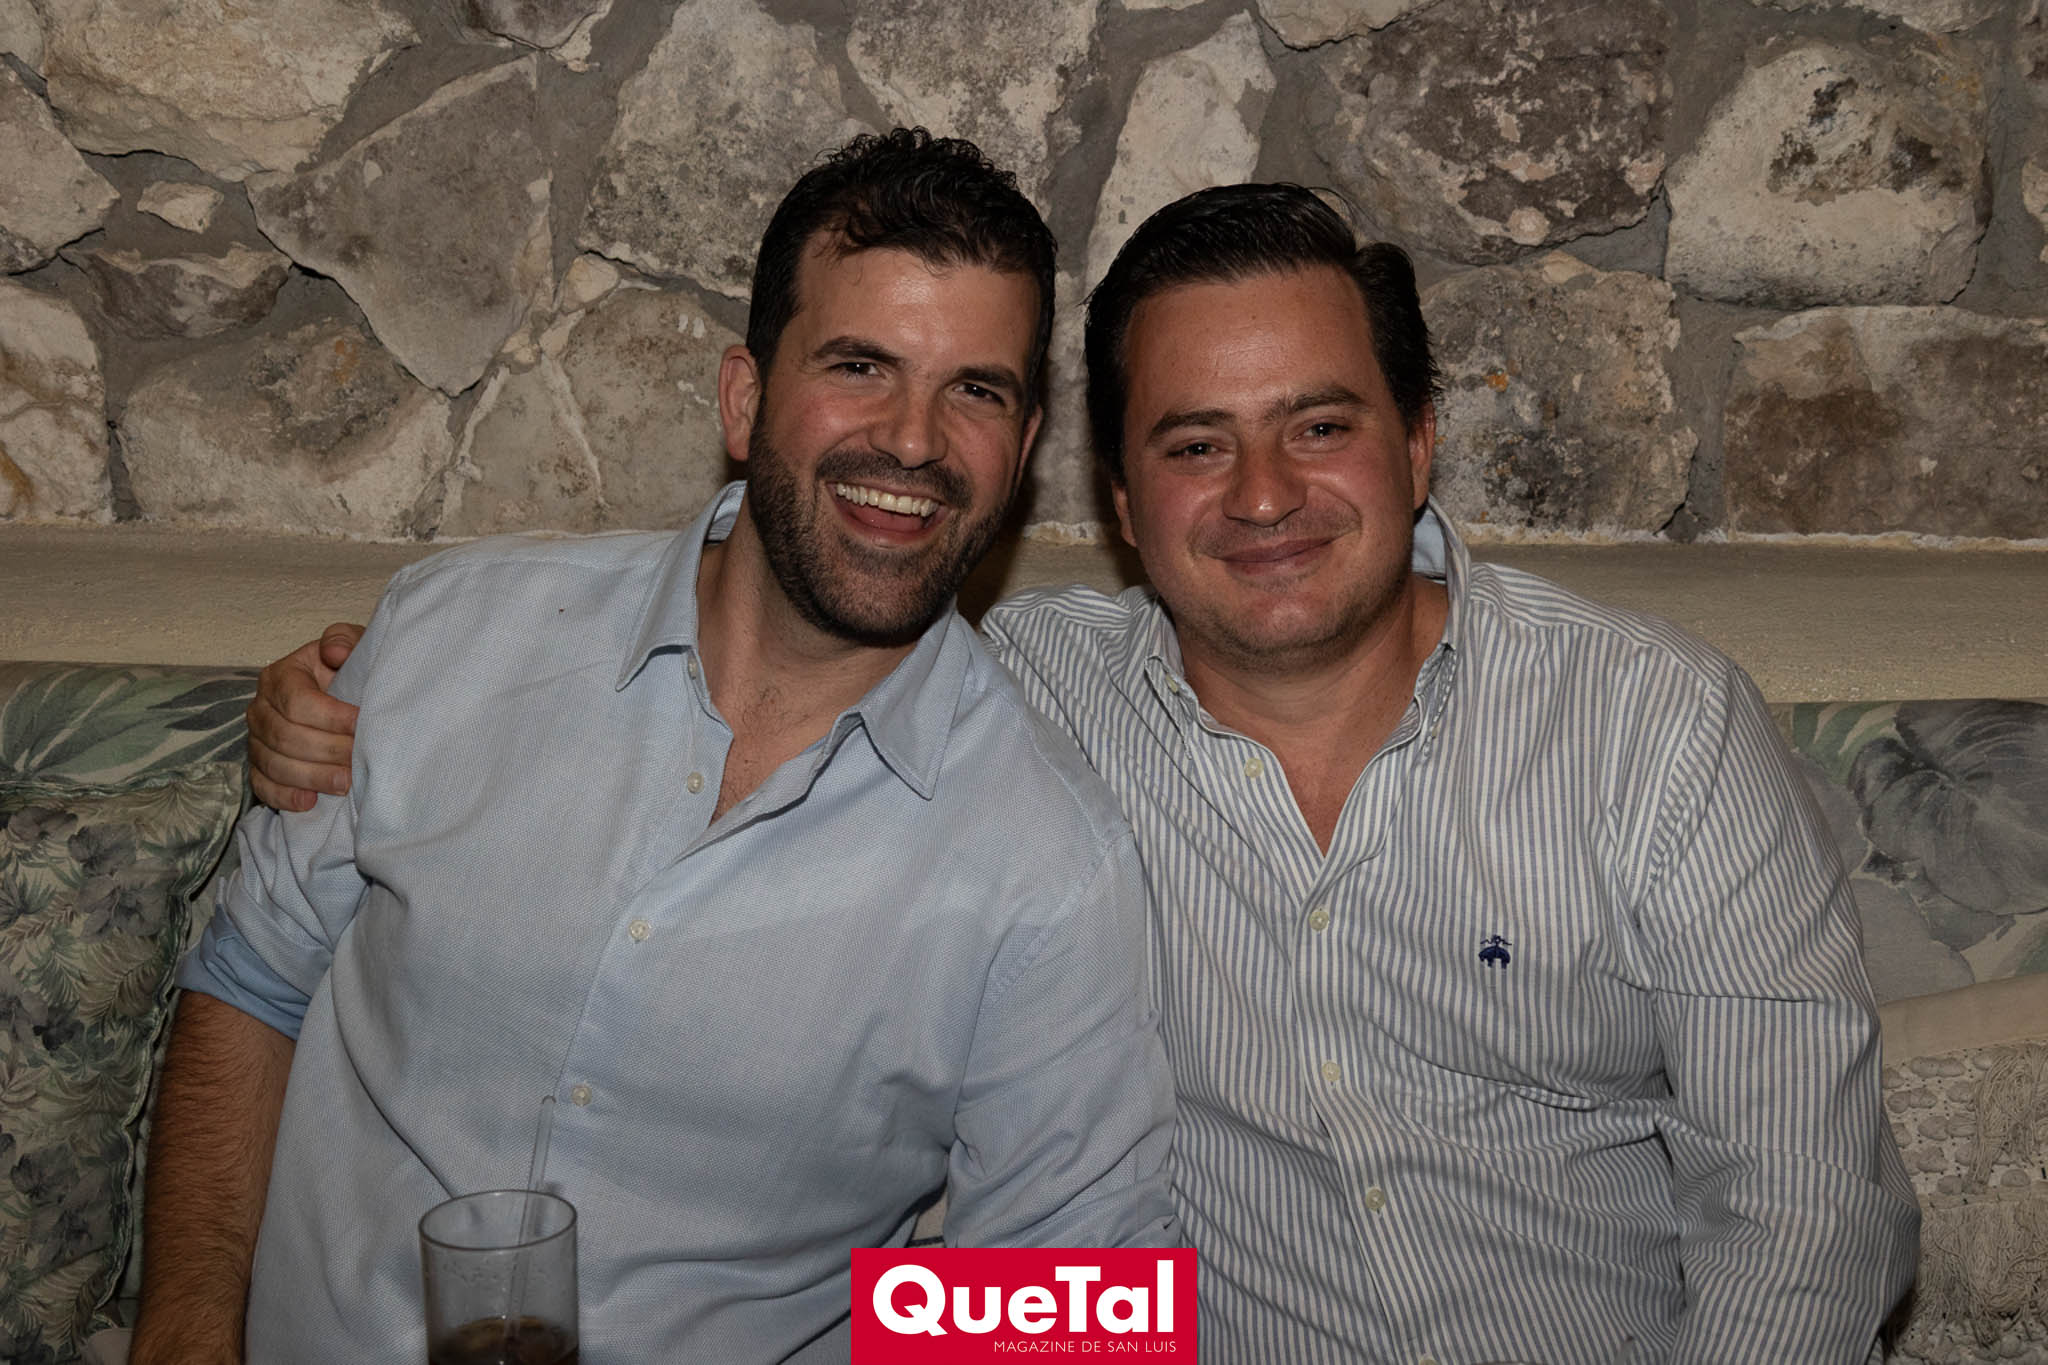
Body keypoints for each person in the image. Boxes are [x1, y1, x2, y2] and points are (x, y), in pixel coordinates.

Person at [247, 183, 1921, 1363]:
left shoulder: (1650, 732)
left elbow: (1804, 1222)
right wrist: (348, 695)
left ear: (1418, 444)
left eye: (1320, 424)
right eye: (1194, 443)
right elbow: (1066, 1284)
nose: (1260, 495)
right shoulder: (1023, 721)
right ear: (1118, 501)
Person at [132, 129, 1177, 1365]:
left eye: (976, 392)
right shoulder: (448, 637)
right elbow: (253, 984)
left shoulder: (1048, 865)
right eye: (859, 366)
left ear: (1025, 445)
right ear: (743, 399)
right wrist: (186, 1329)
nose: (913, 440)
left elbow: (1071, 1300)